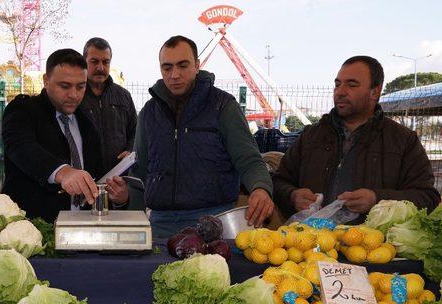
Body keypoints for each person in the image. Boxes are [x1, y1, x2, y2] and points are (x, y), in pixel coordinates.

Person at [127, 35, 274, 237]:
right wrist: (132, 223)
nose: (174, 74)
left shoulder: (223, 106)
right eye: (167, 67)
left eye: (183, 65)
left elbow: (249, 159)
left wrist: (261, 189)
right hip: (160, 225)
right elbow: (139, 172)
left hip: (215, 222)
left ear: (197, 65)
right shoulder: (148, 113)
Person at [273, 56, 440, 218]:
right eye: (337, 84)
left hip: (373, 244)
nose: (340, 92)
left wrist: (377, 199)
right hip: (307, 242)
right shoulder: (310, 135)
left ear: (375, 92)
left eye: (351, 85)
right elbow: (278, 182)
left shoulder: (403, 141)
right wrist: (292, 195)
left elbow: (426, 197)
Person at [1, 48, 128, 222]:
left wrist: (119, 198)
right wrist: (63, 172)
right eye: (65, 86)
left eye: (81, 86)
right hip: (32, 234)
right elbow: (20, 146)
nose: (74, 95)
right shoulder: (24, 110)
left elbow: (96, 178)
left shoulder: (87, 124)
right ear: (46, 81)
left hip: (81, 234)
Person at [79, 37, 137, 172]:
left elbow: (135, 130)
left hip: (119, 178)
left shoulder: (124, 96)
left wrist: (130, 149)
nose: (100, 67)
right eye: (94, 62)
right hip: (85, 177)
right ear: (84, 62)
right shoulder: (76, 96)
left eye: (106, 62)